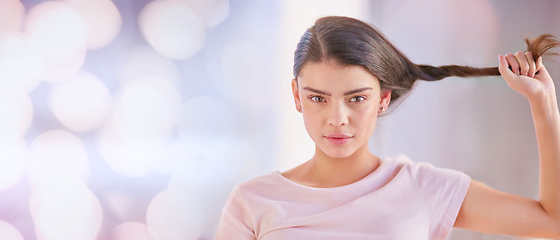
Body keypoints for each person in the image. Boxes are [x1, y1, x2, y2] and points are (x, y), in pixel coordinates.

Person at [216, 16, 560, 239]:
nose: (337, 118)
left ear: (382, 99)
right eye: (318, 98)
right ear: (296, 96)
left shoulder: (423, 187)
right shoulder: (253, 202)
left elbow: (551, 222)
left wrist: (543, 104)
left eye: (356, 98)